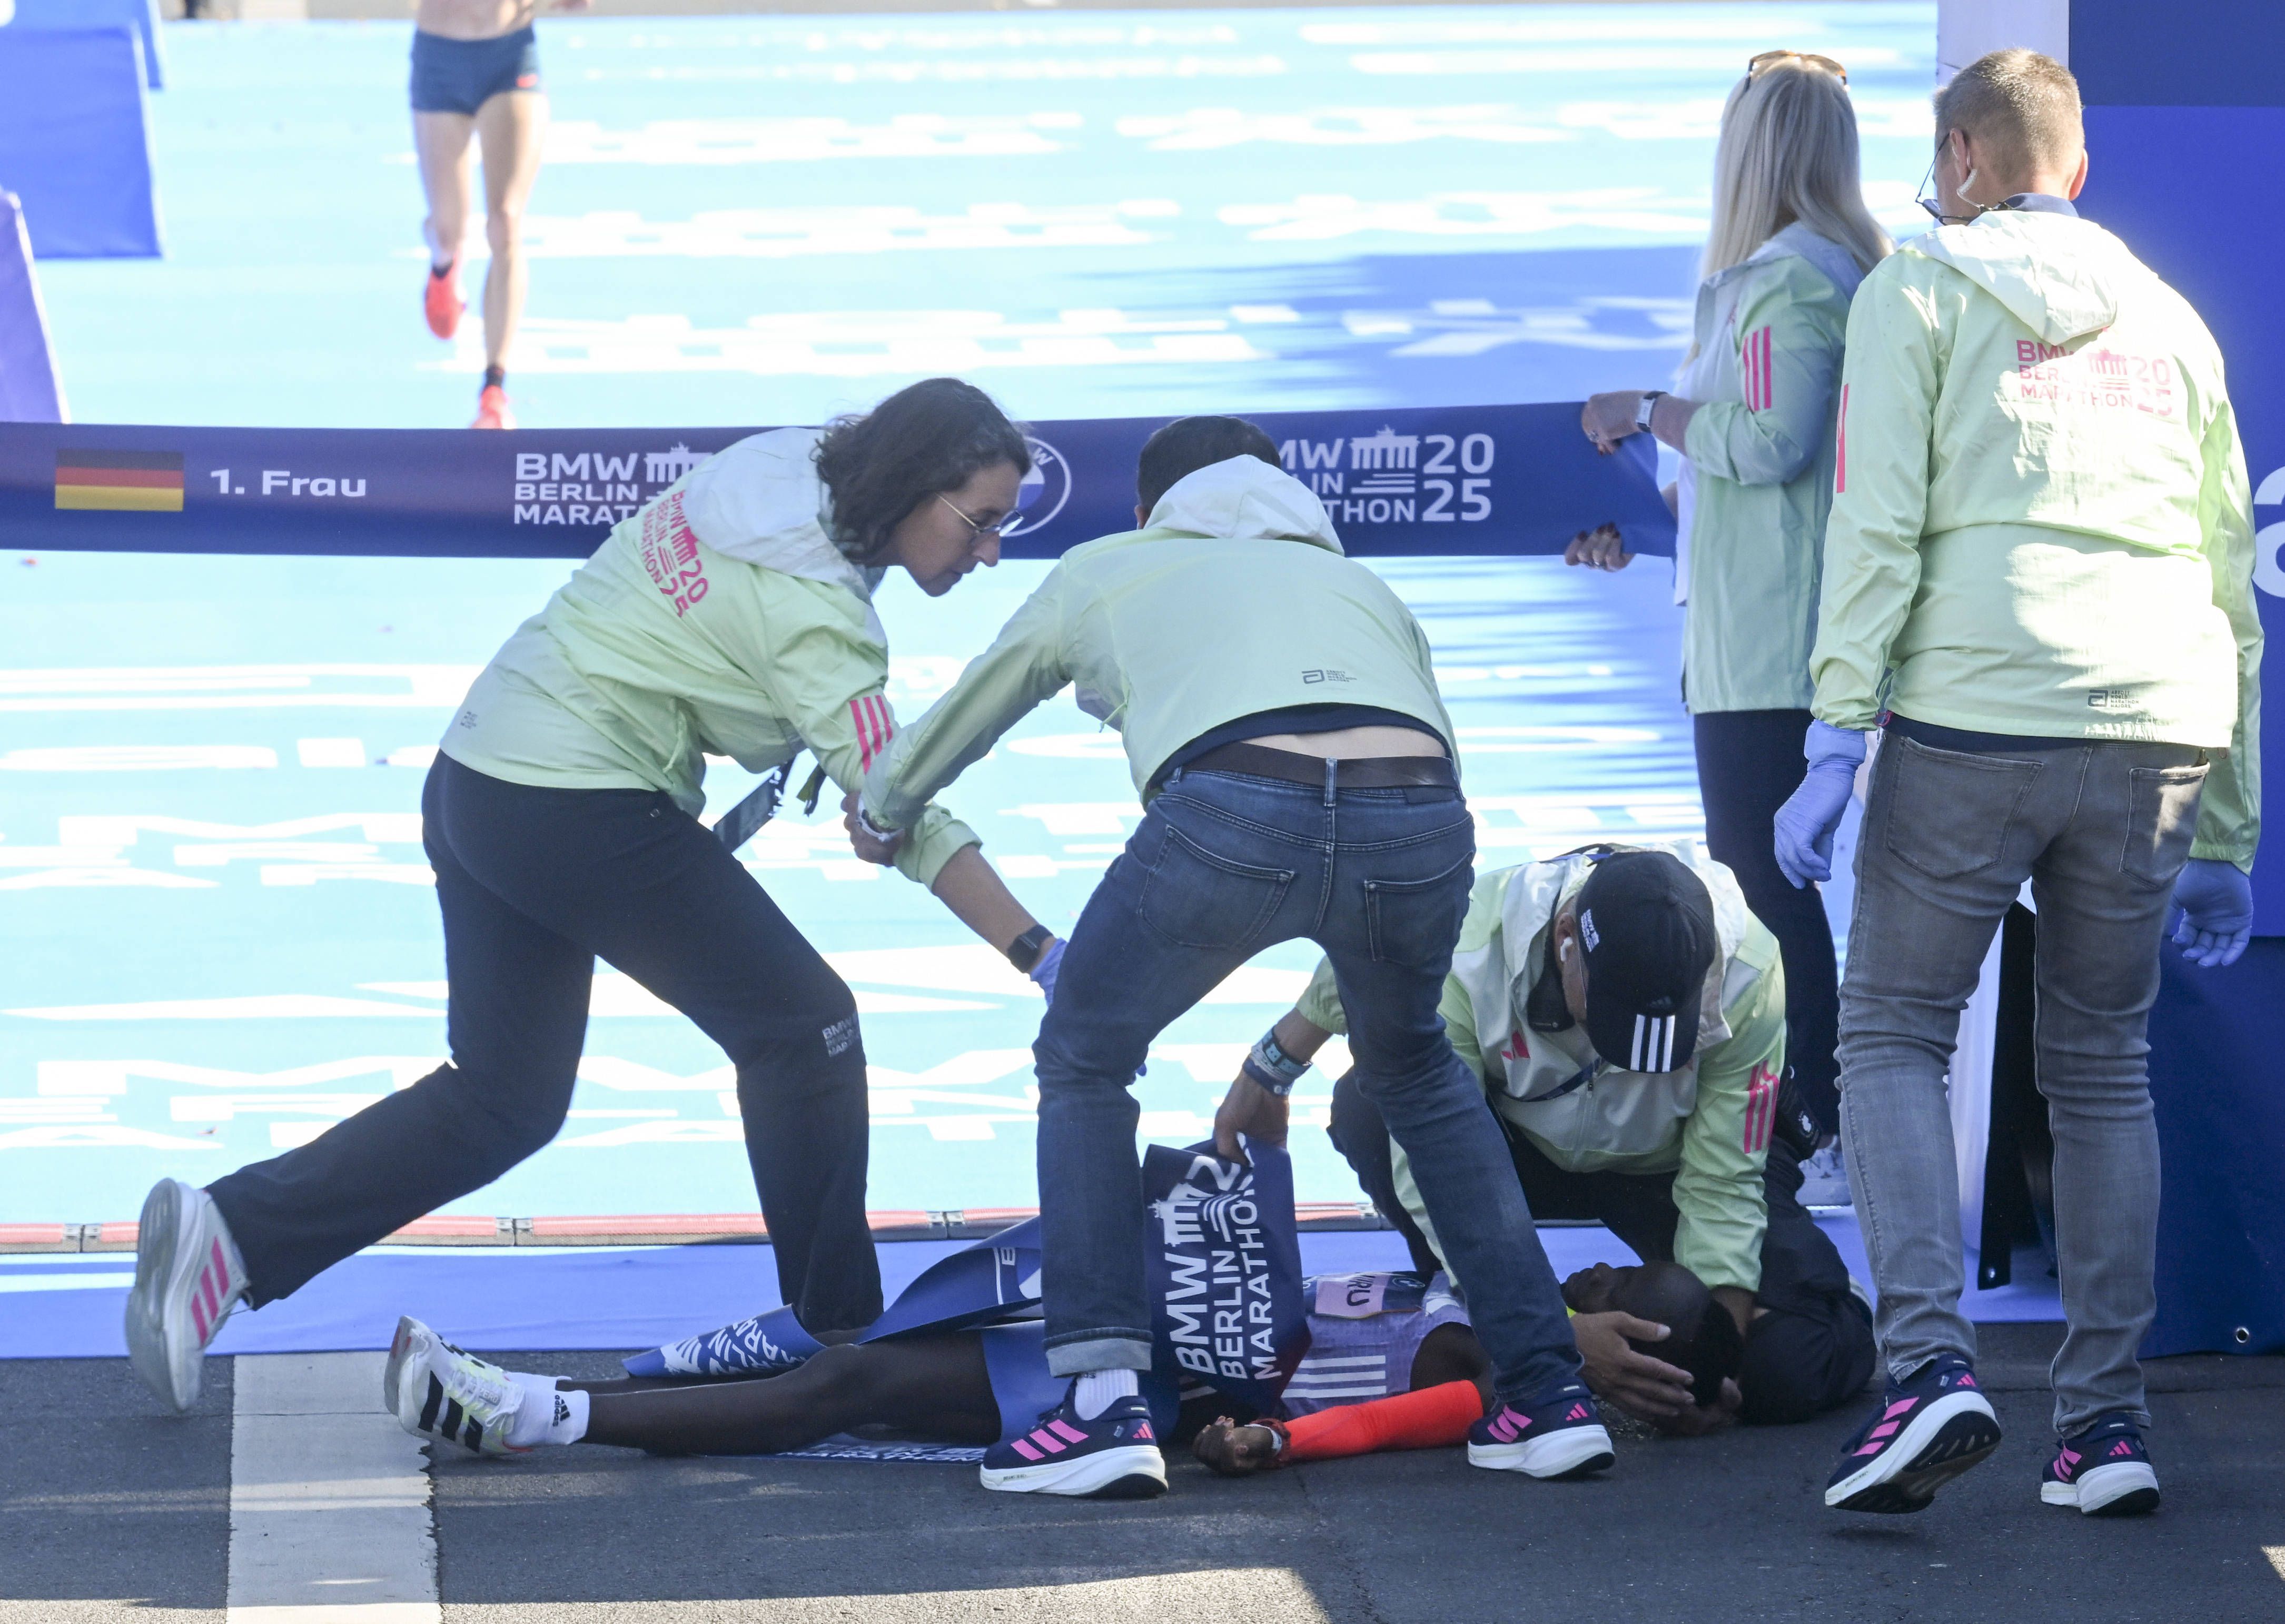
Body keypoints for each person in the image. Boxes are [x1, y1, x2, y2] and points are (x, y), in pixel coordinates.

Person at [124, 379, 1063, 1414]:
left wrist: (863, 778)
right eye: (979, 523)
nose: (990, 553)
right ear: (910, 487)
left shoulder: (786, 468)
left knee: (504, 1100)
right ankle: (841, 1351)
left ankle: (235, 1231)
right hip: (575, 799)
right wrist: (1039, 953)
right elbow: (905, 807)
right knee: (808, 1029)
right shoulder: (813, 613)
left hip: (480, 776)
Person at [853, 415, 1614, 1498]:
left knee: (1085, 1058)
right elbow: (1408, 765)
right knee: (1417, 1074)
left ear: (1147, 511)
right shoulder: (1360, 590)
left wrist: (886, 809)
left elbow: (976, 707)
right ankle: (1550, 1393)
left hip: (1233, 807)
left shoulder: (1110, 565)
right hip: (1420, 818)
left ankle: (1102, 1403)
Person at [1772, 50, 2262, 1519]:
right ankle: (2101, 1428)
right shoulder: (2174, 323)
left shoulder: (1913, 291)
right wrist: (2225, 827)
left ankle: (1926, 1373)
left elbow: (1877, 528)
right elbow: (2227, 574)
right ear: (2081, 168)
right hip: (2157, 721)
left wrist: (1831, 738)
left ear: (1962, 157)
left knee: (1892, 1034)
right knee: (2101, 1064)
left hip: (1976, 712)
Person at [1225, 842, 1875, 1431]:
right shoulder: (1464, 943)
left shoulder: (1749, 970)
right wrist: (1556, 1337)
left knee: (1784, 1374)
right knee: (1372, 1097)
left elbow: (1723, 1182)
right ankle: (1479, 1312)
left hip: (1669, 1169)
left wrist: (1709, 1371)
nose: (1628, 1062)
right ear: (1566, 939)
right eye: (1610, 1021)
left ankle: (1802, 1298)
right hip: (1513, 1153)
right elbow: (1430, 1158)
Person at [1563, 51, 1892, 1147]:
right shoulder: (1806, 277)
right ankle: (1816, 1118)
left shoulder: (1792, 282)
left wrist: (1650, 405)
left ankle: (1822, 1121)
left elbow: (1773, 444)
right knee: (1766, 884)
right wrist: (1640, 523)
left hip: (1774, 645)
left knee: (1768, 890)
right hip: (1761, 630)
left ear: (1752, 154)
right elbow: (1740, 483)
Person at [383, 1261, 1739, 1478]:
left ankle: (524, 1416)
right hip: (1129, 1297)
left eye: (1617, 1315)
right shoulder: (1478, 1277)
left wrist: (1267, 1446)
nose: (1586, 1290)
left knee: (855, 1388)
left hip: (1140, 1393)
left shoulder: (1484, 1369)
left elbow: (1394, 1416)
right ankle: (539, 1391)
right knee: (860, 1327)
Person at [1193, 1260, 1744, 1476]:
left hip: (1213, 1365)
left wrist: (1273, 1441)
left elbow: (1374, 1424)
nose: (1598, 1269)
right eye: (1620, 1267)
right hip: (1224, 1299)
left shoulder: (1504, 1378)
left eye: (1616, 1288)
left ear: (1638, 1363)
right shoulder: (1501, 1285)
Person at [411, 0, 587, 429]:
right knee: (448, 231)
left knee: (505, 223)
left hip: (508, 56)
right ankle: (443, 266)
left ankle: (493, 390)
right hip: (440, 56)